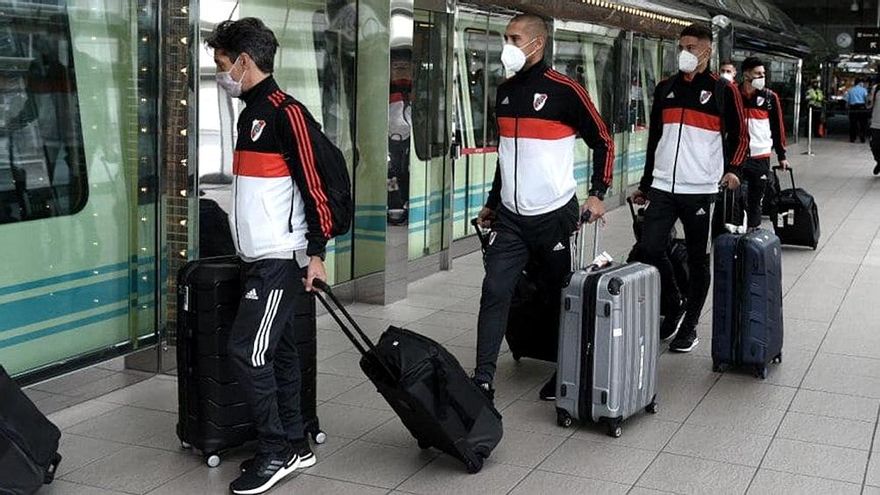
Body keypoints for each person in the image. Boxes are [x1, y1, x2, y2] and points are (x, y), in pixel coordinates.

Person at [206, 18, 337, 495]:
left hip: (279, 259)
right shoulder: (250, 114)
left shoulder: (287, 113)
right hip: (256, 257)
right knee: (279, 351)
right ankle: (296, 443)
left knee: (248, 350)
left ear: (244, 61)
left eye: (222, 64)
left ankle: (275, 451)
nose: (221, 74)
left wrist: (316, 253)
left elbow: (315, 187)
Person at [474, 13, 614, 403]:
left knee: (559, 296)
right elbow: (507, 156)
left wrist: (598, 192)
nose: (507, 46)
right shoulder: (504, 92)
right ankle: (482, 379)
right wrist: (493, 203)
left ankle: (566, 369)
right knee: (495, 290)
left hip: (554, 215)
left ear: (537, 43)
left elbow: (603, 140)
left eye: (514, 39)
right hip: (511, 218)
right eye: (506, 38)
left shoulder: (565, 90)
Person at [630, 23, 749, 352]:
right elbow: (656, 139)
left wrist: (734, 169)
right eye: (681, 47)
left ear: (707, 52)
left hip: (701, 189)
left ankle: (690, 326)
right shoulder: (665, 88)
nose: (684, 53)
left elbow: (741, 137)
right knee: (649, 248)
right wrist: (646, 183)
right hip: (663, 187)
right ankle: (675, 303)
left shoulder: (723, 90)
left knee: (698, 259)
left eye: (691, 48)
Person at [738, 56, 789, 229]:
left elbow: (777, 127)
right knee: (734, 197)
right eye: (758, 73)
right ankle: (733, 234)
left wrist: (782, 155)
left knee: (756, 199)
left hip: (760, 156)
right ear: (746, 75)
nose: (762, 77)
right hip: (737, 155)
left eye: (763, 74)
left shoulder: (769, 97)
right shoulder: (734, 94)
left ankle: (753, 233)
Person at [846, 79, 869, 143]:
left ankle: (852, 138)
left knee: (853, 123)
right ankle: (862, 138)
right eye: (862, 83)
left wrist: (847, 108)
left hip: (853, 107)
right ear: (860, 83)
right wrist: (866, 106)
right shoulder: (864, 90)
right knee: (863, 123)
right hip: (862, 107)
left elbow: (847, 101)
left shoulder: (850, 90)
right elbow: (866, 98)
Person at [867, 77, 880, 175]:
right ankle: (879, 161)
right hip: (876, 123)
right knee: (874, 145)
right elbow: (869, 104)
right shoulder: (876, 88)